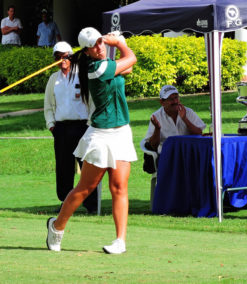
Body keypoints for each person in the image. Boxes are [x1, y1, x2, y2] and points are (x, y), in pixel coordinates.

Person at [46, 27, 137, 254]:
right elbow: (131, 58)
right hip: (101, 134)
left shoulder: (107, 65)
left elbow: (129, 66)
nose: (100, 47)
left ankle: (120, 241)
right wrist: (119, 43)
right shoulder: (96, 68)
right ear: (86, 52)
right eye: (94, 46)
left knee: (119, 187)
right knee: (85, 188)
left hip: (122, 132)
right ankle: (56, 227)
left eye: (100, 42)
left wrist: (116, 43)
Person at [44, 41, 98, 214]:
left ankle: (91, 204)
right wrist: (52, 125)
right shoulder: (54, 79)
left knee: (87, 166)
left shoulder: (82, 75)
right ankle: (66, 202)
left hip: (82, 126)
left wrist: (89, 125)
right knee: (63, 167)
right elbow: (48, 105)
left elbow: (91, 102)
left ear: (71, 56)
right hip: (61, 129)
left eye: (65, 56)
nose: (62, 60)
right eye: (58, 57)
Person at [144, 85, 206, 154]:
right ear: (162, 102)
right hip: (167, 155)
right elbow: (153, 146)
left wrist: (184, 119)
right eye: (171, 99)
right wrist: (157, 129)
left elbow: (199, 134)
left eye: (176, 97)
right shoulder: (156, 116)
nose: (175, 101)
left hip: (189, 153)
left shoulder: (188, 112)